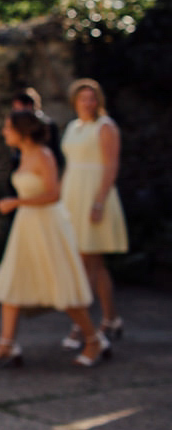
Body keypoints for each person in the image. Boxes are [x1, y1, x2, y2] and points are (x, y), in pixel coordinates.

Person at [0, 110, 107, 368]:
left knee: (60, 284)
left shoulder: (44, 155)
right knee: (13, 282)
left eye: (8, 128)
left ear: (23, 132)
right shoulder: (23, 154)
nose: (4, 132)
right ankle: (6, 344)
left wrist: (17, 202)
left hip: (46, 226)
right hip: (26, 226)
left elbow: (54, 194)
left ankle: (93, 340)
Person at [59, 78, 128, 349]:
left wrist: (99, 202)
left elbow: (111, 166)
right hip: (72, 196)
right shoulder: (72, 127)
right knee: (88, 264)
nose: (88, 102)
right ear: (75, 101)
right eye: (83, 98)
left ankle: (84, 324)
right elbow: (69, 166)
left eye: (92, 97)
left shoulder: (106, 127)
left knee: (90, 261)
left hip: (94, 196)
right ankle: (109, 319)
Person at [11, 88, 64, 172]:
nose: (15, 111)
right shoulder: (18, 127)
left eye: (17, 107)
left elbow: (54, 152)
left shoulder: (47, 125)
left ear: (28, 105)